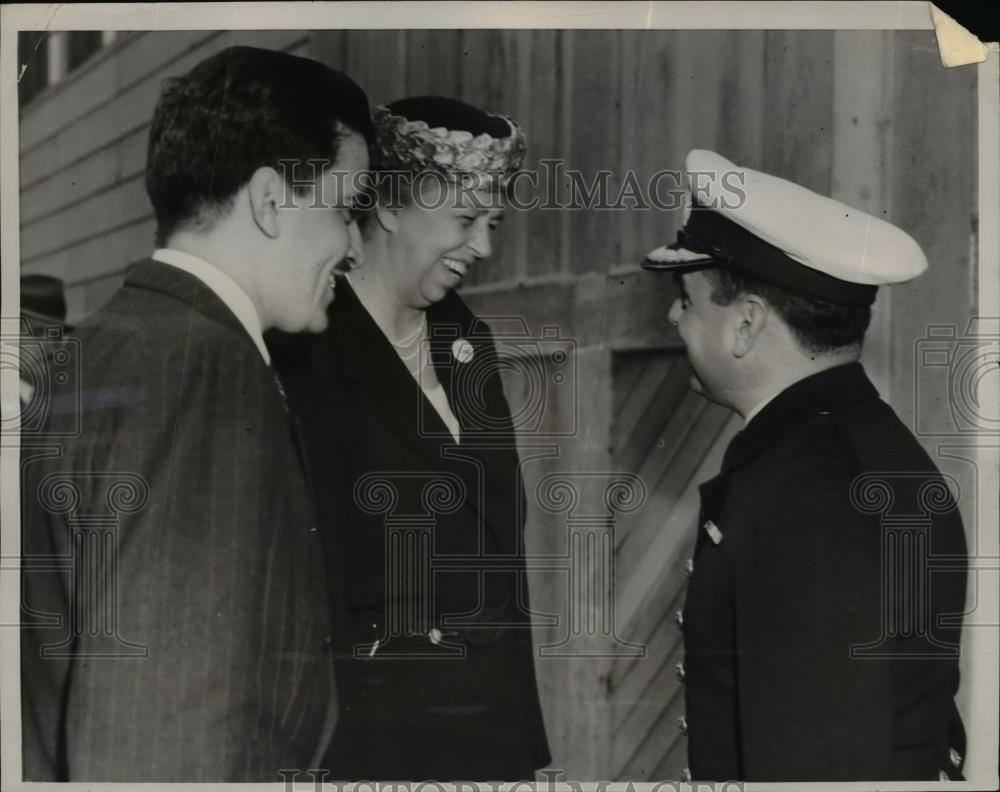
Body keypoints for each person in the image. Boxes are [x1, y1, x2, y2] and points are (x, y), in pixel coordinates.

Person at [20, 45, 372, 782]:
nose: (354, 246)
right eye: (345, 209)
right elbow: (160, 729)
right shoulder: (203, 368)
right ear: (272, 200)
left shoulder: (112, 345)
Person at [640, 149, 968, 782]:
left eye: (687, 298)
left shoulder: (807, 495)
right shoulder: (858, 449)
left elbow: (814, 761)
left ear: (746, 324)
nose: (673, 317)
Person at [270, 96, 550, 781]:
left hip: (485, 743)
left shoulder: (466, 341)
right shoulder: (303, 351)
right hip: (369, 748)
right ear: (390, 204)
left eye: (492, 222)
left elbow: (499, 566)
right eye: (463, 219)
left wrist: (522, 748)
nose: (483, 247)